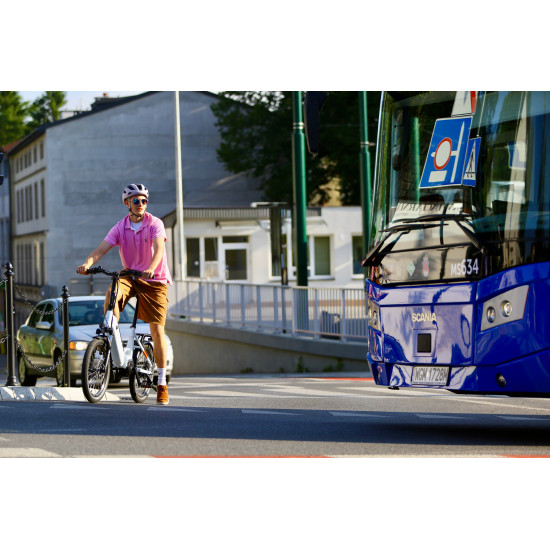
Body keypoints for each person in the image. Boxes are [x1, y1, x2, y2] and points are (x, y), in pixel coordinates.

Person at [77, 183, 172, 405]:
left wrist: (152, 267)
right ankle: (109, 334)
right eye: (136, 200)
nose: (141, 204)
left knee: (157, 329)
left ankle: (161, 383)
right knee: (113, 291)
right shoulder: (120, 227)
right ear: (127, 203)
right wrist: (87, 264)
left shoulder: (155, 223)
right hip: (130, 275)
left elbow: (159, 249)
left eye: (144, 200)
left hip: (154, 279)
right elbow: (100, 250)